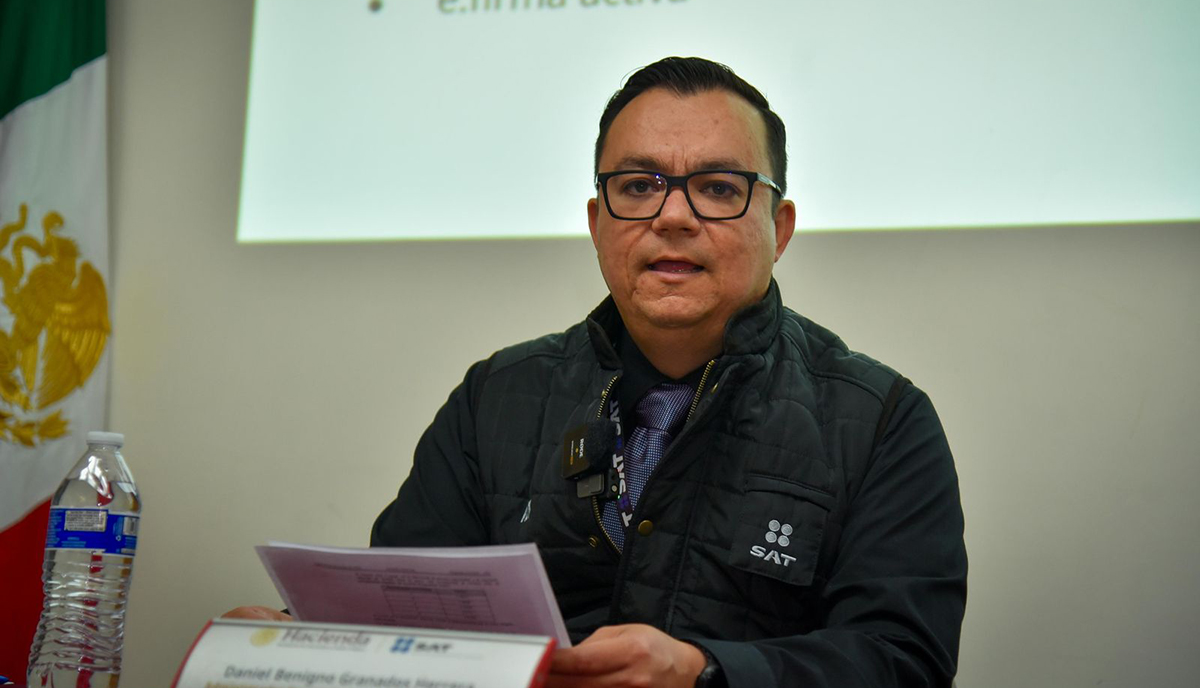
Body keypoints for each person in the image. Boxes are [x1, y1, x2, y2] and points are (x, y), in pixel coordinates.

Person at [229, 57, 967, 687]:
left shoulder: (881, 419)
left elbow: (904, 661)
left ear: (779, 228)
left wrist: (704, 672)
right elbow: (402, 619)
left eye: (718, 187)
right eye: (639, 185)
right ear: (596, 222)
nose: (673, 216)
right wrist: (297, 643)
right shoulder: (497, 398)